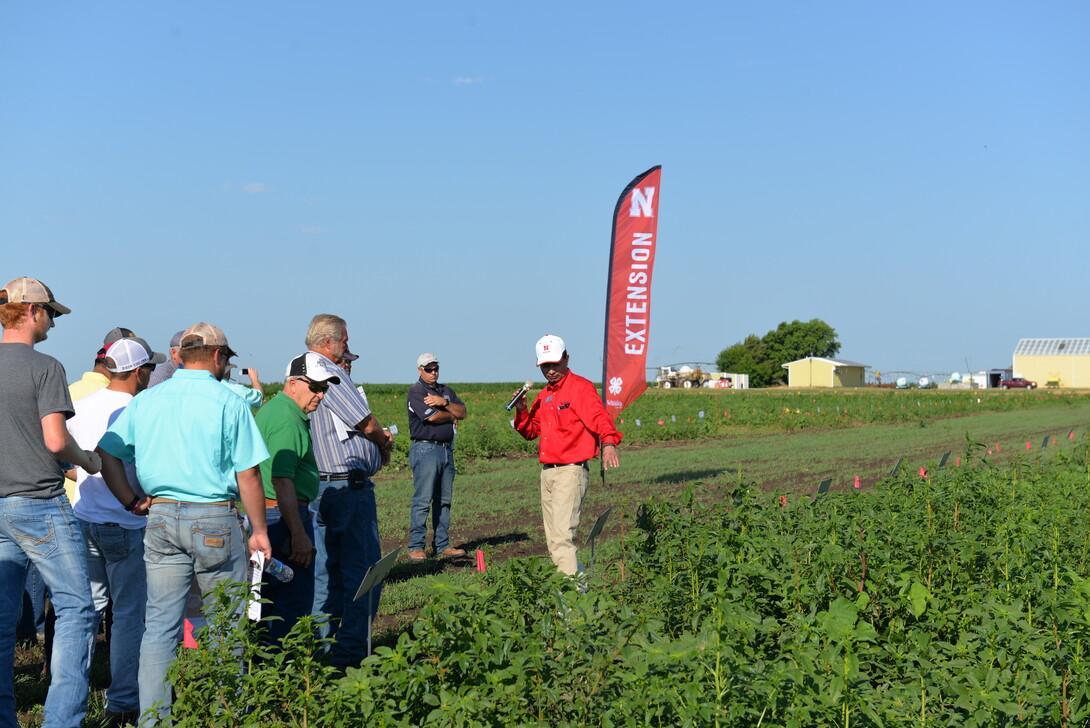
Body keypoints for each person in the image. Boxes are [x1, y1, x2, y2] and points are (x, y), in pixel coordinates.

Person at [96, 322, 271, 724]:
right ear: (215, 356)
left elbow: (106, 453)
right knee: (225, 630)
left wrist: (130, 500)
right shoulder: (230, 401)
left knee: (159, 627)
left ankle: (154, 720)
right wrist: (259, 532)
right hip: (213, 515)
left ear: (180, 355)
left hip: (159, 517)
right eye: (226, 357)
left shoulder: (148, 399)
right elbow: (248, 473)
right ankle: (226, 715)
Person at [0, 277, 101, 728]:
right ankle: (62, 720)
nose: (54, 324)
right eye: (52, 314)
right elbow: (57, 440)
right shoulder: (45, 366)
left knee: (3, 621)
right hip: (40, 502)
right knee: (78, 608)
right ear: (33, 311)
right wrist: (89, 461)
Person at [67, 336, 164, 725]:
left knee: (84, 612)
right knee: (127, 616)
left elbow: (65, 455)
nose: (152, 376)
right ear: (139, 372)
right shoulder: (138, 408)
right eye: (151, 369)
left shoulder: (83, 403)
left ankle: (73, 690)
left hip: (84, 517)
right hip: (127, 521)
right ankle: (123, 700)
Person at [305, 314, 392, 670]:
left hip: (319, 487)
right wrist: (384, 440)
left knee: (325, 576)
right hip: (347, 489)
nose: (347, 348)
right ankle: (351, 656)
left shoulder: (299, 374)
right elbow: (367, 423)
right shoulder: (329, 373)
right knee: (363, 573)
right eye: (344, 342)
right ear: (328, 343)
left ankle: (321, 653)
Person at [513, 335, 622, 576]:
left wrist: (609, 442)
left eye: (555, 364)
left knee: (562, 539)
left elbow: (599, 417)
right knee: (554, 541)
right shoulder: (544, 396)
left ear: (567, 358)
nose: (550, 371)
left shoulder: (580, 388)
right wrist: (521, 411)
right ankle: (577, 588)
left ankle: (571, 606)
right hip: (548, 474)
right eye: (545, 366)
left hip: (571, 471)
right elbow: (531, 432)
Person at [254, 352, 339, 642]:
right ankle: (286, 677)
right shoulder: (287, 419)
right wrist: (298, 533)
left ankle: (270, 673)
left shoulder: (276, 409)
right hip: (284, 516)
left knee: (269, 603)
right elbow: (281, 478)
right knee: (290, 603)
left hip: (274, 515)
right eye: (315, 387)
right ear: (292, 383)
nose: (320, 395)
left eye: (325, 388)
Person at [406, 353, 467, 561]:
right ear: (419, 370)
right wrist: (451, 415)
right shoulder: (416, 392)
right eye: (428, 369)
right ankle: (416, 546)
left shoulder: (445, 391)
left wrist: (444, 402)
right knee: (423, 500)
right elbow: (431, 417)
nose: (433, 372)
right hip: (425, 450)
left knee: (444, 500)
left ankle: (442, 544)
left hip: (446, 450)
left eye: (435, 368)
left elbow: (463, 412)